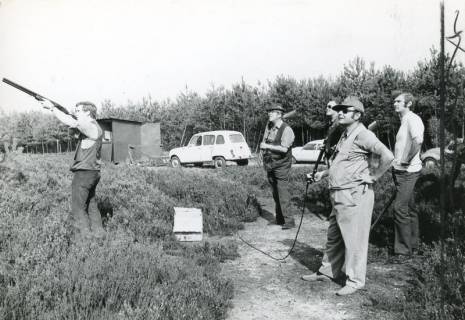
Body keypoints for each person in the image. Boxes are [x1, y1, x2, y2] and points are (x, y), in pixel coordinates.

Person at [301, 96, 394, 296]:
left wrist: (374, 176)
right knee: (334, 237)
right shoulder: (345, 134)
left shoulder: (363, 134)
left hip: (354, 195)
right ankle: (327, 272)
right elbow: (343, 162)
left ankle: (355, 281)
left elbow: (388, 156)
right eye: (340, 109)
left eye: (346, 110)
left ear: (358, 115)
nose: (340, 112)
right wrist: (323, 174)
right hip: (339, 194)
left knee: (354, 240)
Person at [40, 99, 105, 242]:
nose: (76, 114)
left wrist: (52, 108)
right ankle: (99, 235)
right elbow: (73, 128)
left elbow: (71, 122)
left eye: (78, 111)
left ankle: (84, 241)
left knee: (78, 208)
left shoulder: (89, 125)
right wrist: (63, 112)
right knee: (91, 205)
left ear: (88, 112)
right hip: (92, 172)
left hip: (84, 173)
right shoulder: (94, 126)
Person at [391, 92, 424, 259]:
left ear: (409, 103)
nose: (394, 104)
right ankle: (414, 246)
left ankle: (403, 251)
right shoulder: (404, 120)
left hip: (409, 172)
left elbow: (418, 142)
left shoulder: (413, 119)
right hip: (401, 171)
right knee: (409, 209)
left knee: (400, 208)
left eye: (398, 101)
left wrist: (405, 160)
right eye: (394, 101)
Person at [260, 103, 296, 230]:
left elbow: (284, 149)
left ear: (279, 114)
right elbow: (265, 142)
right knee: (275, 193)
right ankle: (280, 219)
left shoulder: (287, 130)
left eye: (272, 112)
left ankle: (289, 221)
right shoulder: (270, 127)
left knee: (283, 193)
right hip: (270, 164)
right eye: (269, 111)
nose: (269, 113)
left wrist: (267, 147)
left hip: (281, 165)